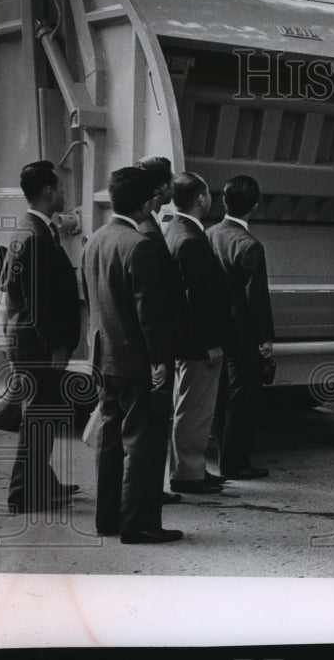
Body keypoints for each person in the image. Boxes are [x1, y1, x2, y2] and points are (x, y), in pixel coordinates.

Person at [82, 166, 181, 544]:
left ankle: (108, 517)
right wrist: (159, 361)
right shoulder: (139, 245)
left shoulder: (95, 240)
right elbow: (150, 316)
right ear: (144, 204)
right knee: (143, 442)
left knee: (111, 440)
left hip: (105, 355)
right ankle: (138, 524)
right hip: (137, 360)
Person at [3, 161, 81, 514]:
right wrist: (57, 346)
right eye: (61, 187)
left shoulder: (32, 229)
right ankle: (22, 494)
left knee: (43, 414)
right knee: (40, 416)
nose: (65, 193)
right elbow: (39, 303)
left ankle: (43, 482)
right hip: (37, 345)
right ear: (48, 191)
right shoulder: (35, 235)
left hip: (28, 341)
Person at [164, 173, 230, 495]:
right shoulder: (190, 239)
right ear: (201, 198)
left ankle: (190, 467)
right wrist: (210, 344)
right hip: (197, 344)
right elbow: (198, 299)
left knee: (187, 405)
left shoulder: (174, 230)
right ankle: (188, 474)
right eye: (207, 193)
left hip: (185, 340)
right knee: (195, 409)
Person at [208, 175, 275, 480]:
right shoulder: (250, 246)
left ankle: (220, 453)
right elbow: (256, 298)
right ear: (255, 208)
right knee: (242, 396)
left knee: (221, 394)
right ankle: (234, 463)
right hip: (241, 332)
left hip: (215, 326)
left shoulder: (208, 235)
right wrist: (265, 338)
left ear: (224, 202)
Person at [134, 156, 187, 503]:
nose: (173, 187)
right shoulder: (147, 231)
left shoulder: (150, 225)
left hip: (153, 344)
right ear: (159, 189)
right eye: (170, 182)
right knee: (152, 422)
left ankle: (151, 486)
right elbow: (149, 301)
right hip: (153, 346)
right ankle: (149, 490)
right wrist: (158, 357)